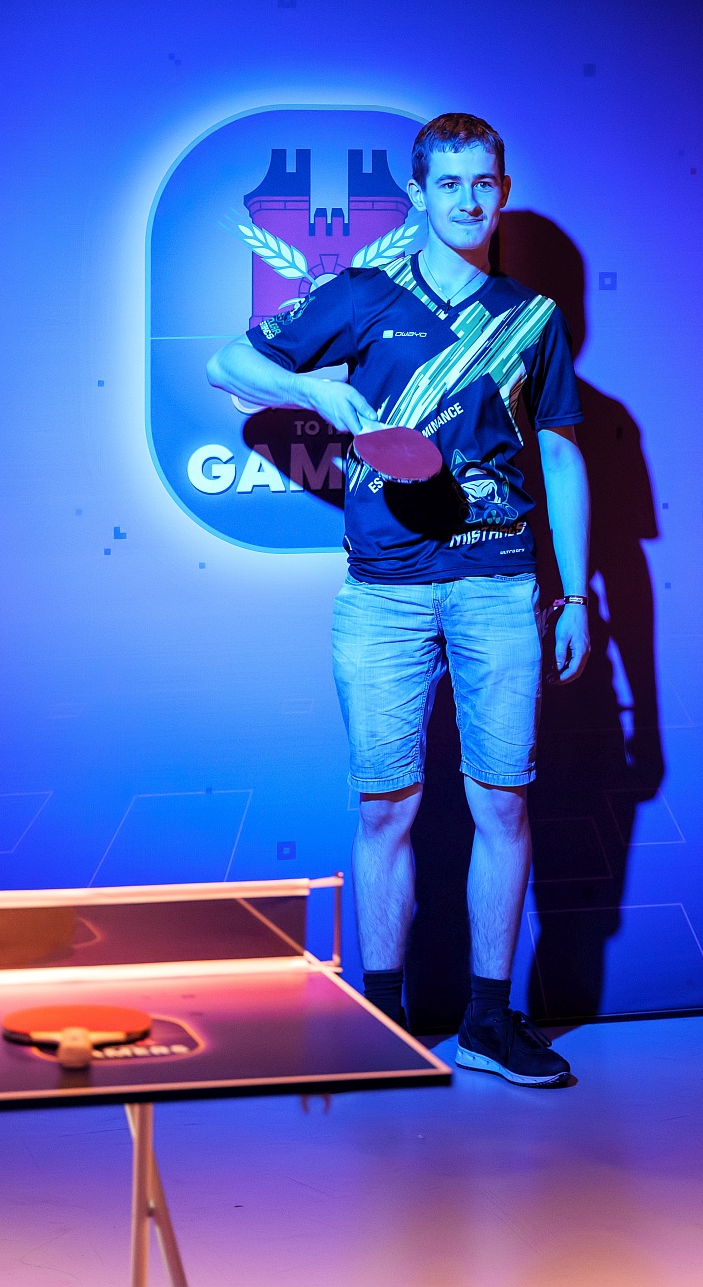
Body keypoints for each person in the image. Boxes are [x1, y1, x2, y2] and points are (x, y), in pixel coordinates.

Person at [209, 112, 591, 1087]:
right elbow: (227, 365)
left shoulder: (532, 318)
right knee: (387, 807)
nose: (468, 200)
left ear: (502, 190)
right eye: (448, 183)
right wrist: (318, 395)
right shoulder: (365, 294)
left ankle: (489, 1022)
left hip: (500, 586)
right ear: (416, 195)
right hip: (383, 592)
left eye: (483, 182)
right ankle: (381, 1018)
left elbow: (558, 455)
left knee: (502, 803)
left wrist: (575, 595)